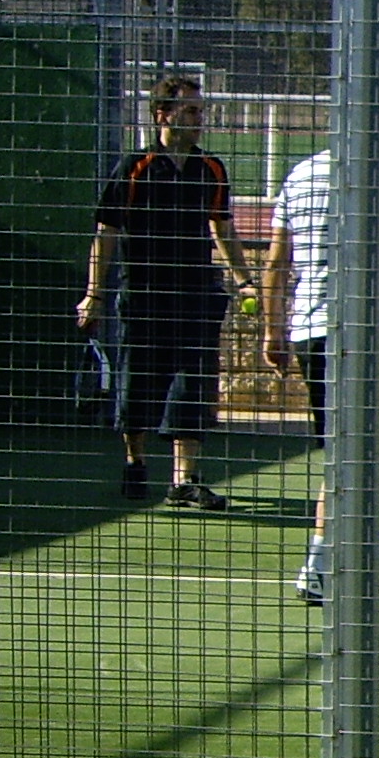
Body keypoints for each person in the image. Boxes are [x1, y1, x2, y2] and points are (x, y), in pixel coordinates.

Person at [262, 84, 379, 603]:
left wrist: (273, 330)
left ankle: (363, 543)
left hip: (310, 331)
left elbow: (277, 262)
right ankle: (321, 561)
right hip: (369, 333)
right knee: (353, 452)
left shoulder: (299, 175)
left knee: (349, 449)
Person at [80, 71, 252, 507]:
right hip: (142, 294)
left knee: (193, 382)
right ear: (163, 114)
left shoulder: (211, 168)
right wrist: (94, 293)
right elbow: (106, 233)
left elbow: (223, 229)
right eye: (190, 110)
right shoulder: (134, 167)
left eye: (201, 111)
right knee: (137, 381)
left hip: (196, 296)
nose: (199, 119)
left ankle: (184, 480)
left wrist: (244, 280)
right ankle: (135, 462)